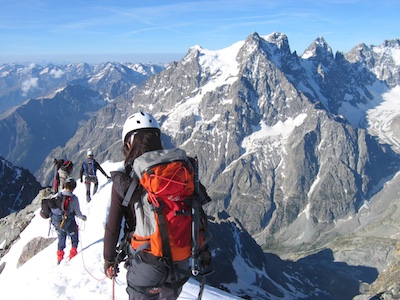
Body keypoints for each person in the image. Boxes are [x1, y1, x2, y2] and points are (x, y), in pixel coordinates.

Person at [103, 112, 191, 300]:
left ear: (128, 144)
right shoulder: (179, 172)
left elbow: (113, 227)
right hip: (182, 258)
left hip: (148, 261)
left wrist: (109, 260)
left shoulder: (124, 181)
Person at [47, 177, 87, 264]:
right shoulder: (74, 198)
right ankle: (73, 254)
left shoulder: (58, 195)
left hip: (57, 222)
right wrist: (83, 217)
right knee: (74, 236)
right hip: (68, 222)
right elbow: (78, 213)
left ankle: (59, 257)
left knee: (61, 237)